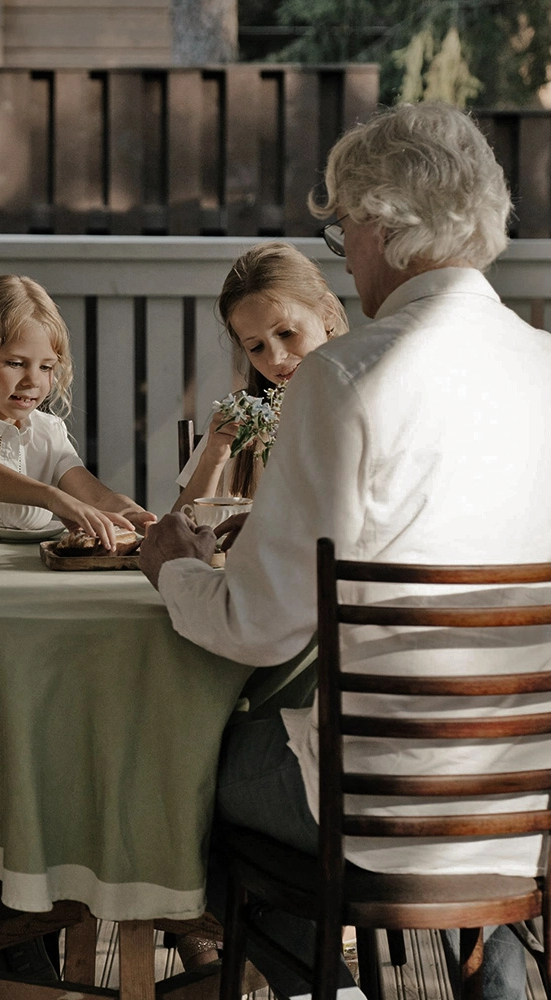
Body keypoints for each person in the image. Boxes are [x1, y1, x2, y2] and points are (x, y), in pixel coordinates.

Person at [140, 102, 551, 1000]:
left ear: (379, 223)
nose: (345, 253)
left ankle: (303, 985)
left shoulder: (347, 376)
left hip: (375, 808)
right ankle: (487, 967)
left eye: (342, 232)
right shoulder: (546, 366)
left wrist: (167, 561)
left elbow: (258, 624)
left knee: (174, 763)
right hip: (517, 805)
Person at [0, 274, 156, 548]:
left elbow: (97, 497)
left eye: (46, 367)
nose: (33, 381)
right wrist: (52, 497)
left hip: (17, 574)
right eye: (16, 363)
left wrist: (128, 511)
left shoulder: (48, 431)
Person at [173, 241, 347, 512]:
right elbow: (181, 531)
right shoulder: (241, 420)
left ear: (327, 314)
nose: (275, 358)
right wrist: (213, 458)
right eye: (256, 347)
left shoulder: (363, 405)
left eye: (287, 333)